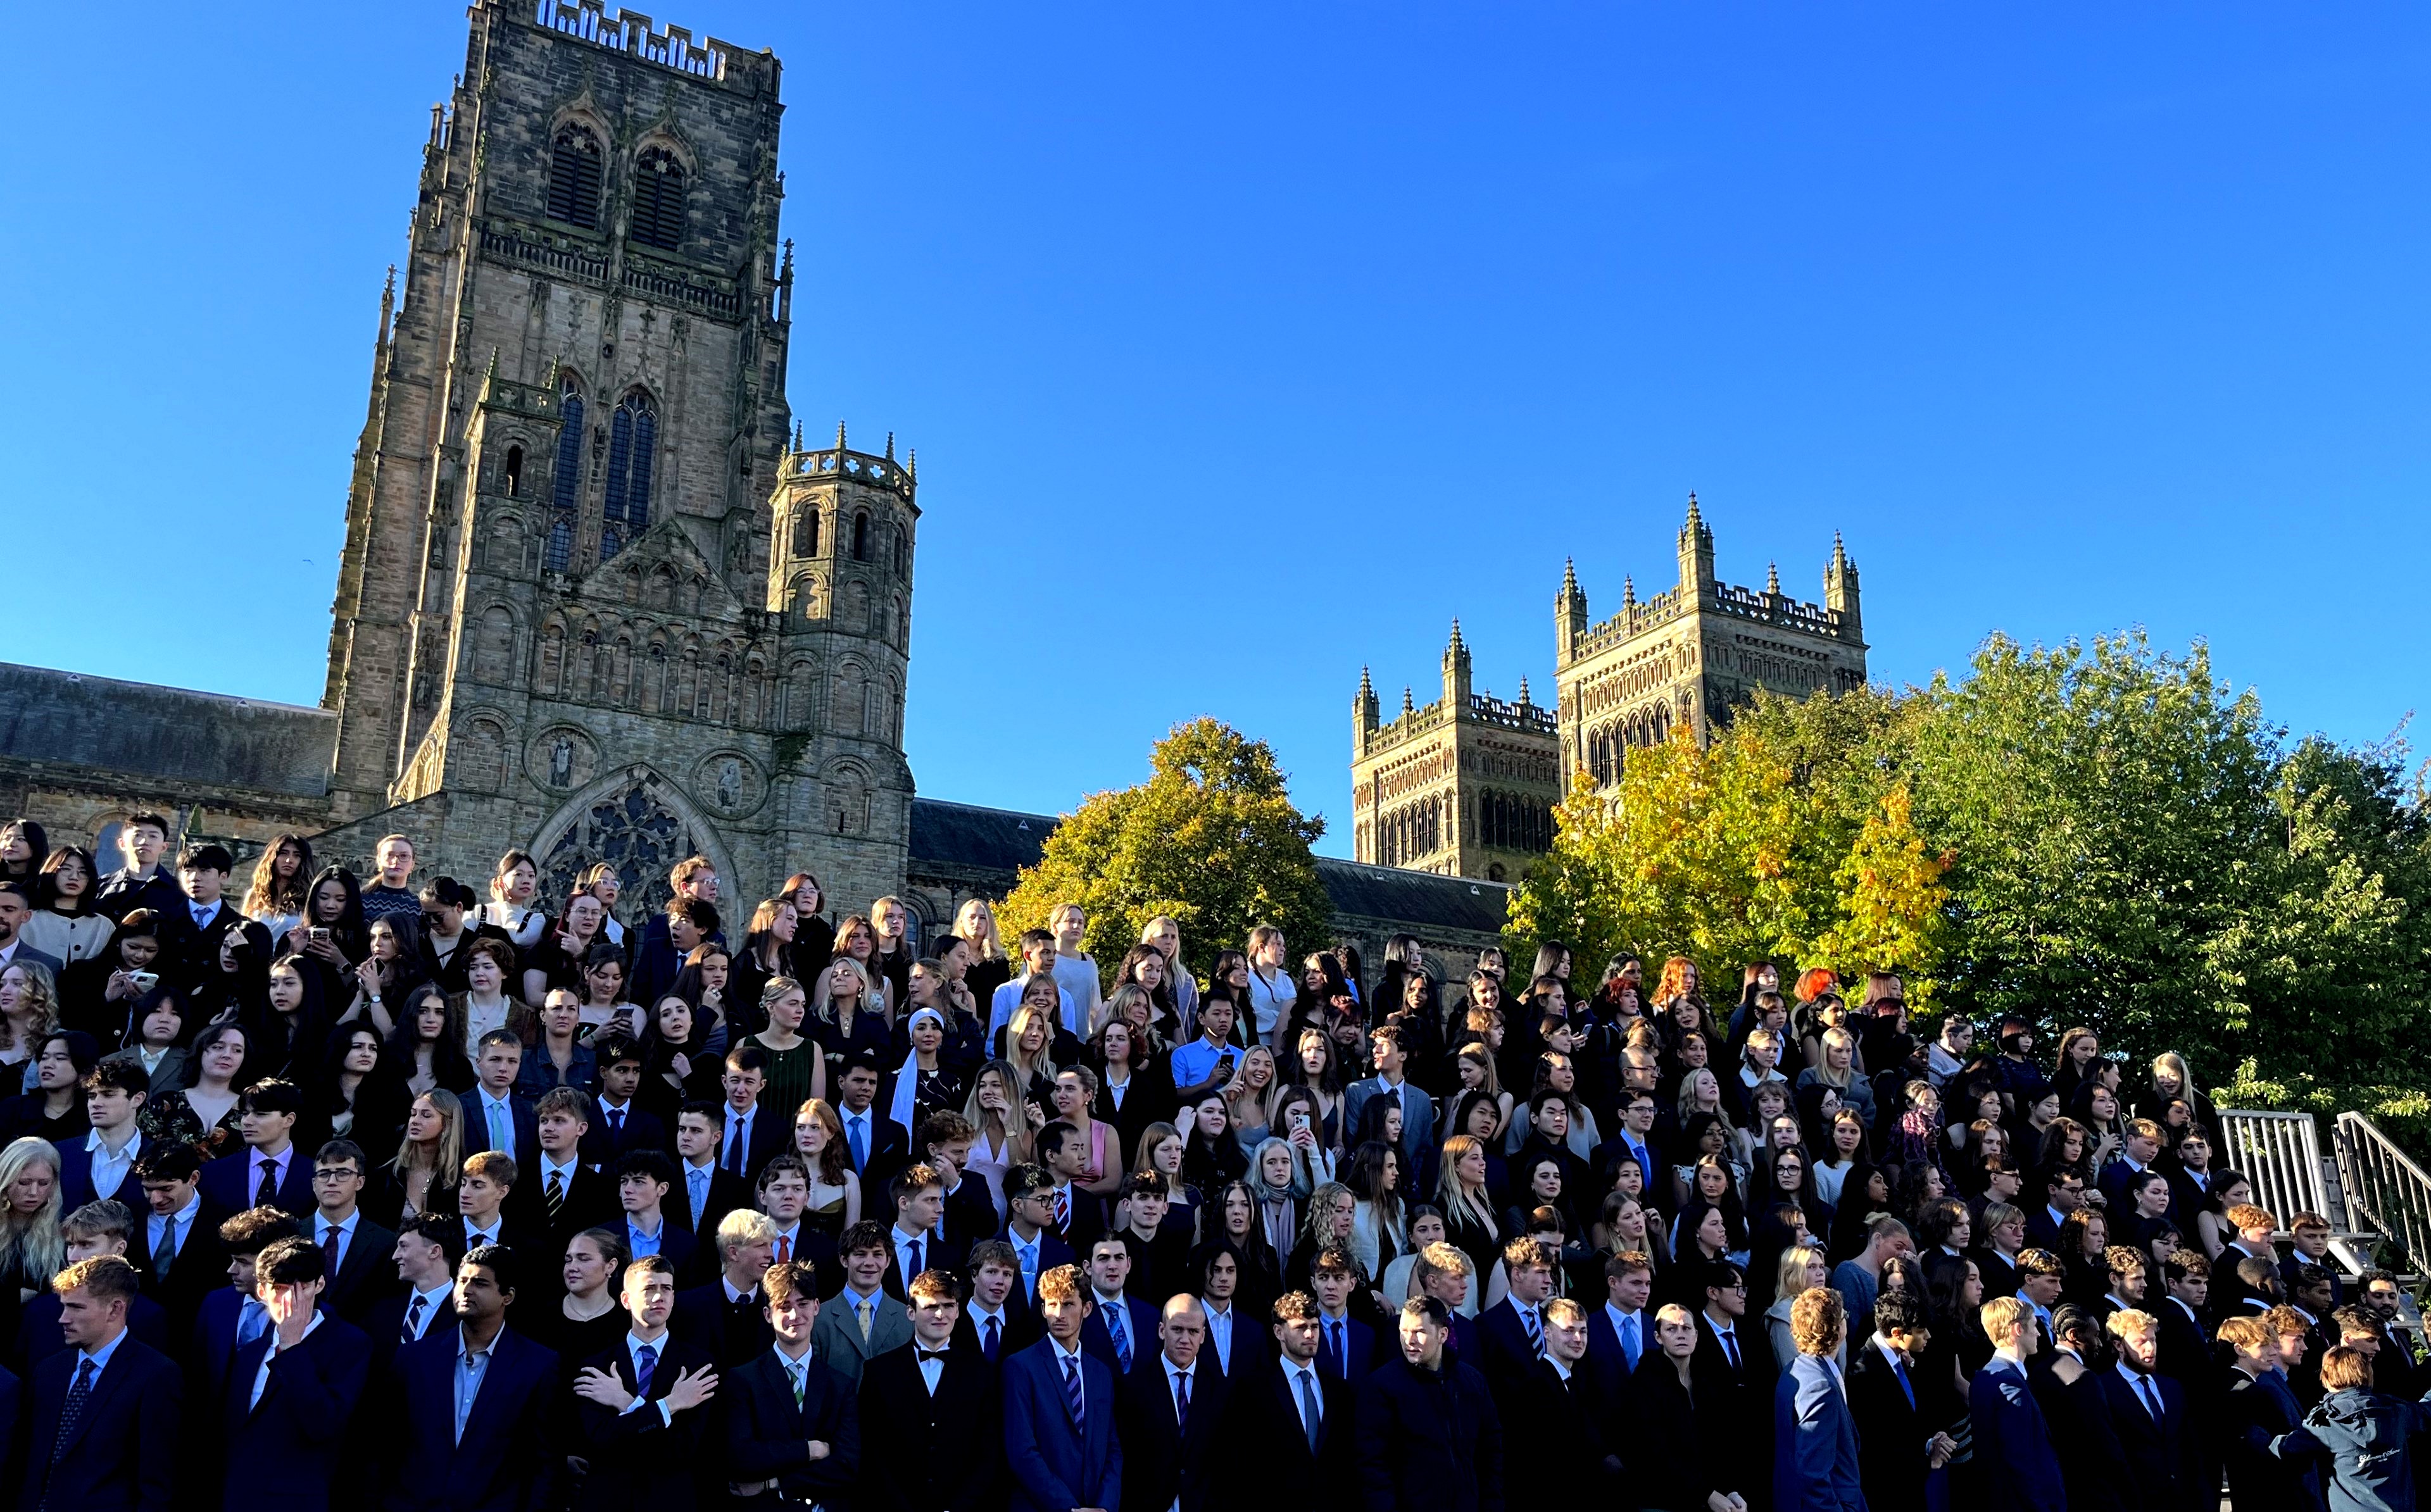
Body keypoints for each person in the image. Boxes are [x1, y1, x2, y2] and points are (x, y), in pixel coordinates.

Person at [382, 1244, 556, 1512]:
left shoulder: (538, 1365)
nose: (466, 1290)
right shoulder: (415, 1359)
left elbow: (544, 1460)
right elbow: (385, 1443)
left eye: (480, 1283)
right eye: (462, 1281)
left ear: (507, 1296)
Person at [220, 1235, 372, 1512]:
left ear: (320, 1285)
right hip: (239, 1496)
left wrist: (291, 1348)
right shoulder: (250, 1350)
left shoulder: (350, 1345)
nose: (291, 1298)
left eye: (302, 1287)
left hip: (300, 1501)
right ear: (263, 1292)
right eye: (280, 1288)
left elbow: (323, 1424)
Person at [569, 1253, 720, 1512]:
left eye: (667, 1289)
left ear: (674, 1298)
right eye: (649, 1288)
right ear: (626, 1300)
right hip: (608, 1501)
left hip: (670, 1501)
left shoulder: (699, 1366)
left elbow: (683, 1447)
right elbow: (602, 1440)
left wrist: (625, 1402)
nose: (659, 1297)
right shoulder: (596, 1366)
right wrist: (670, 1405)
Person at [25, 1254, 176, 1512]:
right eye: (64, 1307)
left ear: (115, 1309)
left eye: (76, 1308)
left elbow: (157, 1482)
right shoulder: (49, 1370)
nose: (63, 1318)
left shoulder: (156, 1375)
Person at [859, 1263, 998, 1511]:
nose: (940, 1314)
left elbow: (988, 1452)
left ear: (957, 1311)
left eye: (948, 1306)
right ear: (911, 1312)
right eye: (931, 1306)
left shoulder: (981, 1373)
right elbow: (873, 1451)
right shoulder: (878, 1372)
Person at [725, 1256, 862, 1504]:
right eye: (784, 1306)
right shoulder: (743, 1380)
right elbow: (741, 1456)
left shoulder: (840, 1385)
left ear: (817, 1307)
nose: (795, 1314)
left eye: (803, 1303)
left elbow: (847, 1465)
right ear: (768, 1314)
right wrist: (810, 1450)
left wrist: (774, 1483)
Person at [1357, 1292, 1503, 1512]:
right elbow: (1373, 1464)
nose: (1409, 1341)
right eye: (1403, 1332)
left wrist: (1492, 1504)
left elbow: (1491, 1450)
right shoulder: (1382, 1387)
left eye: (1419, 1332)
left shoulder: (1472, 1383)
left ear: (1443, 1334)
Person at [1002, 1261, 1122, 1512]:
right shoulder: (1020, 1367)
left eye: (1068, 1304)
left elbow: (1112, 1448)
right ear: (1043, 1309)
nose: (1059, 1314)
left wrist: (1105, 1506)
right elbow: (1022, 1451)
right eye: (1052, 1304)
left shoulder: (1101, 1373)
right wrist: (1068, 1508)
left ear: (1087, 1309)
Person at [2269, 1344, 2431, 1511]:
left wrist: (2251, 1432)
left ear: (2326, 1377)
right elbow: (2427, 1410)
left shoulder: (2326, 1423)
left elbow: (2283, 1451)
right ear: (2368, 1373)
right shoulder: (2397, 1411)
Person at [1117, 1291, 1229, 1512]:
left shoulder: (1221, 1390)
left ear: (1203, 1335)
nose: (1185, 1339)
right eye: (1177, 1329)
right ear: (1162, 1330)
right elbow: (1127, 1458)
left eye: (1193, 1331)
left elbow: (1226, 1461)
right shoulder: (1134, 1387)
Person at [1847, 1285, 1952, 1512]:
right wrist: (1927, 1461)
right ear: (1897, 1333)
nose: (1928, 1336)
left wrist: (1930, 1440)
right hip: (1890, 1494)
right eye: (1921, 1330)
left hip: (1911, 1487)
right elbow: (1878, 1443)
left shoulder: (1900, 1360)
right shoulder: (1864, 1372)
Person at [2216, 1313, 2323, 1511]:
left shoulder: (2241, 1387)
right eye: (2263, 1345)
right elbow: (2266, 1450)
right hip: (2271, 1497)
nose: (2273, 1353)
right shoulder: (2247, 1393)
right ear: (2240, 1350)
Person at [1774, 1285, 1866, 1512]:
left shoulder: (1795, 1370)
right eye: (1844, 1315)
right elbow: (1812, 1472)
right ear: (1837, 1329)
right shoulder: (1819, 1387)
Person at [1970, 1294, 2066, 1512]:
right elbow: (2019, 1458)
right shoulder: (2009, 1382)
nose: (2039, 1333)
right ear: (2018, 1330)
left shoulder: (1985, 1376)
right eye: (2034, 1325)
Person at [306, 1139, 398, 1321]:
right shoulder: (290, 1234)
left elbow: (387, 1305)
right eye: (324, 1174)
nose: (332, 1181)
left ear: (360, 1182)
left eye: (343, 1173)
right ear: (314, 1183)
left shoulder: (384, 1242)